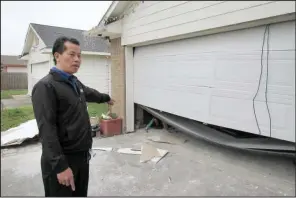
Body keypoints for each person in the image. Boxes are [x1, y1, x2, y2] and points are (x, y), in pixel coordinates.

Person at [31, 36, 114, 197]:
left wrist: (106, 97)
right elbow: (47, 131)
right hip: (62, 160)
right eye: (72, 54)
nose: (77, 59)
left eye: (79, 55)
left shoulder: (74, 82)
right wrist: (60, 166)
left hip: (81, 156)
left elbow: (90, 93)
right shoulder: (46, 86)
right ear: (57, 56)